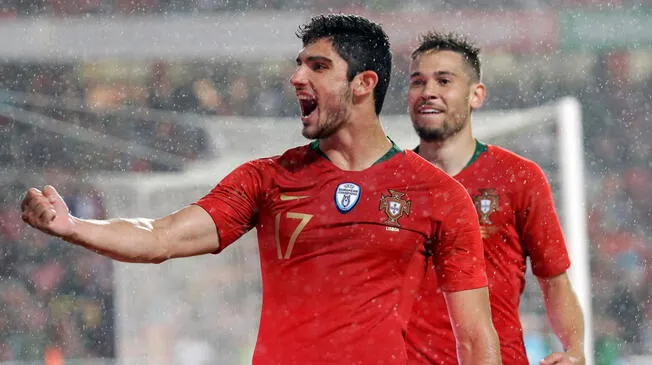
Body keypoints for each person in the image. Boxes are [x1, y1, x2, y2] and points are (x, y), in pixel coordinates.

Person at [21, 15, 500, 365]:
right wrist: (74, 226)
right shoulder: (266, 179)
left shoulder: (437, 195)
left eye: (317, 66)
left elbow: (475, 339)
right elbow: (160, 237)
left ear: (363, 83)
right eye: (298, 66)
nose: (297, 78)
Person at [404, 31, 585, 365]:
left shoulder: (519, 177)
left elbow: (554, 280)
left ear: (476, 95)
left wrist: (574, 350)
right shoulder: (389, 184)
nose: (428, 92)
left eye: (444, 81)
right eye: (418, 82)